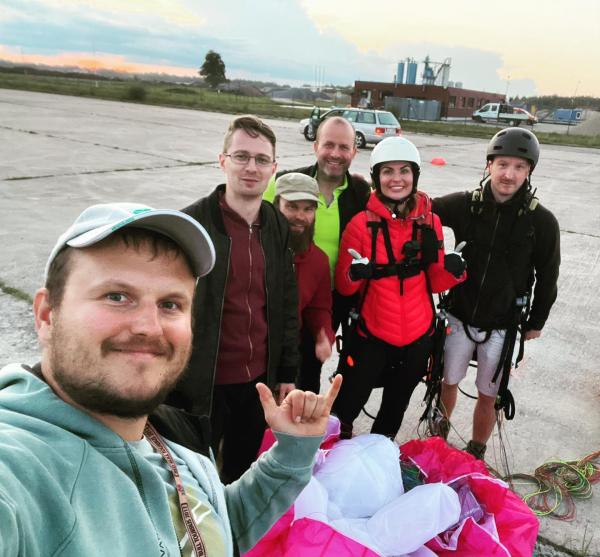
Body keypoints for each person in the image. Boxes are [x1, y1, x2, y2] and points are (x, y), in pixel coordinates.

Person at [0, 202, 342, 557]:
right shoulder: (18, 470)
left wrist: (290, 456)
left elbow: (213, 530)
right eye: (116, 296)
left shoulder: (175, 435)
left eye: (170, 304)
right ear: (46, 315)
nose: (149, 328)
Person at [172, 115, 299, 483]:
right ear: (222, 160)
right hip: (201, 385)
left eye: (261, 159)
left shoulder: (276, 224)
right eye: (241, 156)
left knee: (240, 472)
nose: (251, 167)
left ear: (273, 168)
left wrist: (287, 372)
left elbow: (286, 302)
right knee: (192, 479)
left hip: (258, 382)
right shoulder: (191, 225)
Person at [432, 128, 561, 460]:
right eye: (502, 164)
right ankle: (437, 437)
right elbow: (422, 211)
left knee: (488, 394)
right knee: (447, 381)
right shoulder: (465, 205)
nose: (509, 174)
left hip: (503, 325)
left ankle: (476, 449)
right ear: (489, 165)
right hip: (459, 315)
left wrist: (536, 321)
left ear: (529, 171)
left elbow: (548, 275)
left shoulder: (541, 222)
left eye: (519, 167)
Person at [332, 137, 466, 440]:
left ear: (414, 176)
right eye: (388, 171)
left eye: (404, 171)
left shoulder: (429, 222)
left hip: (418, 337)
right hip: (371, 335)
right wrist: (354, 274)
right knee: (346, 406)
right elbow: (344, 287)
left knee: (395, 408)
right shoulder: (360, 224)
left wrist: (454, 271)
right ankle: (335, 453)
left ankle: (379, 453)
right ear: (376, 177)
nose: (397, 179)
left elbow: (435, 282)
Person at [264, 116, 371, 393]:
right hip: (284, 290)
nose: (335, 153)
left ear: (354, 152)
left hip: (333, 296)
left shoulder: (361, 191)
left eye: (344, 147)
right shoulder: (285, 182)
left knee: (311, 366)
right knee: (271, 363)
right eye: (329, 145)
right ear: (315, 146)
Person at [273, 172, 336, 365]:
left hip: (289, 353)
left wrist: (323, 334)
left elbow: (318, 307)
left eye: (308, 209)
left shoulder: (318, 260)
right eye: (292, 207)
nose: (300, 217)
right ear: (276, 206)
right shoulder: (255, 247)